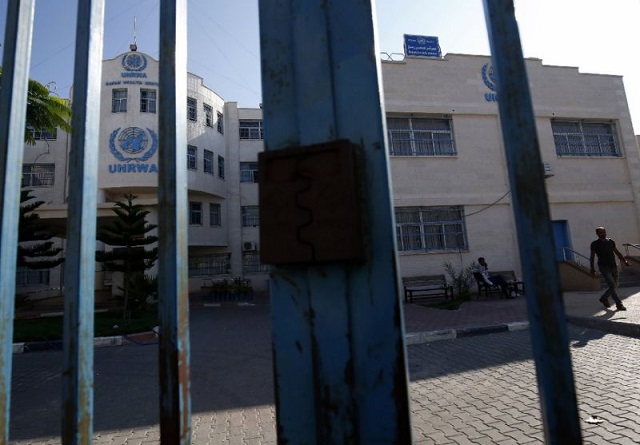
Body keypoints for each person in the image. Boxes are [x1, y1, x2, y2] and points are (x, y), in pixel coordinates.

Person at [590, 226, 630, 311]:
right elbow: (592, 257)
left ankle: (604, 297)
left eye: (604, 232)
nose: (603, 234)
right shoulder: (594, 244)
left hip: (613, 265)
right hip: (603, 267)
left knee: (615, 285)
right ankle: (619, 304)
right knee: (612, 285)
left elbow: (617, 252)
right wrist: (592, 269)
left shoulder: (610, 241)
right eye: (601, 232)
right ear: (597, 234)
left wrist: (624, 261)